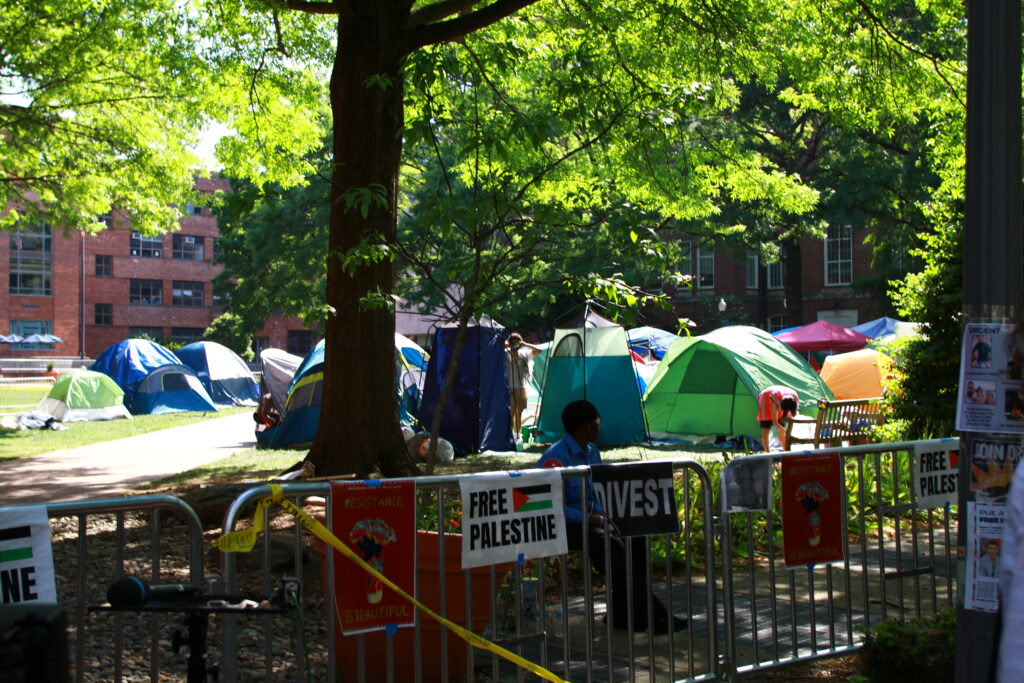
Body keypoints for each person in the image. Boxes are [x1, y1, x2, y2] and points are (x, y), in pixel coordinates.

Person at [536, 400, 687, 634]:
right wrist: (588, 517)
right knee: (605, 542)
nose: (599, 427)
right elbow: (548, 503)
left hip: (591, 520)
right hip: (562, 524)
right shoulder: (555, 458)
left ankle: (624, 615)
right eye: (596, 422)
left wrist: (598, 511)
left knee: (636, 536)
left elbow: (596, 488)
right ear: (586, 426)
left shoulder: (592, 451)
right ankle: (655, 614)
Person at [505, 332, 540, 440]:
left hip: (522, 387)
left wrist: (525, 344)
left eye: (518, 344)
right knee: (510, 412)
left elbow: (539, 351)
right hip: (510, 387)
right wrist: (508, 345)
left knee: (519, 412)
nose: (516, 346)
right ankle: (508, 435)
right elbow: (495, 348)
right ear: (510, 343)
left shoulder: (524, 353)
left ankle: (517, 435)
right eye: (514, 344)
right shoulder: (506, 353)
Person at [757, 385, 799, 452]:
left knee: (781, 429)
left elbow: (794, 415)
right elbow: (775, 422)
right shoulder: (775, 400)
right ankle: (768, 453)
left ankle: (787, 451)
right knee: (766, 428)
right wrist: (786, 431)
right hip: (766, 398)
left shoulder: (794, 398)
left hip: (781, 398)